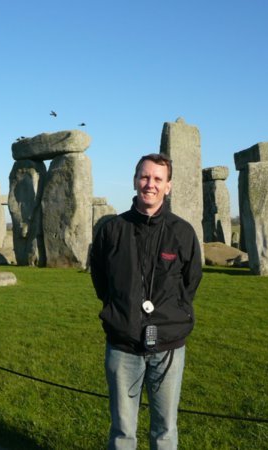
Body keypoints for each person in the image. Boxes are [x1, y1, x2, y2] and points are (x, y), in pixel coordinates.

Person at [90, 153, 203, 449]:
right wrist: (121, 310)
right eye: (144, 177)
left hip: (168, 346)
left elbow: (191, 282)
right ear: (135, 180)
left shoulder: (182, 232)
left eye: (157, 179)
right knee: (122, 430)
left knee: (165, 429)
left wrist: (170, 313)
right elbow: (101, 281)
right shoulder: (112, 231)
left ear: (168, 186)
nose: (149, 184)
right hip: (123, 343)